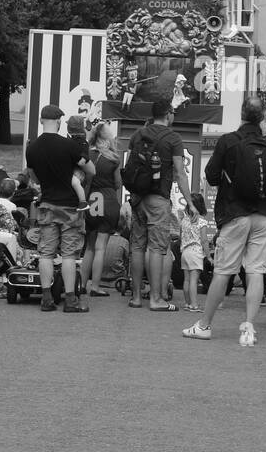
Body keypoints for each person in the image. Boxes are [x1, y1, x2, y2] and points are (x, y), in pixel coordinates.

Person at [183, 98, 266, 346]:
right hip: (264, 215)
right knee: (255, 271)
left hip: (234, 213)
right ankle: (249, 329)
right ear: (261, 117)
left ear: (241, 114)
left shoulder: (228, 141)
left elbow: (211, 175)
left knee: (223, 271)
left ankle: (204, 325)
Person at [26, 104, 95, 313]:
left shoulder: (32, 147)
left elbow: (33, 176)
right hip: (70, 207)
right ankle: (71, 301)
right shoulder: (69, 146)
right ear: (58, 122)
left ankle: (46, 299)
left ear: (40, 121)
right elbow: (91, 169)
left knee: (45, 253)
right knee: (68, 255)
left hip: (47, 204)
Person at [122, 98, 189, 311]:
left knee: (138, 246)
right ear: (168, 113)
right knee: (158, 247)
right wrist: (190, 202)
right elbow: (179, 173)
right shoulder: (173, 138)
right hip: (158, 199)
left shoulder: (138, 134)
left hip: (137, 198)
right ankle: (156, 298)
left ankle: (135, 297)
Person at [80, 121, 123, 298]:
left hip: (90, 201)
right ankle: (95, 287)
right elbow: (118, 183)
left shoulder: (87, 155)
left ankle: (82, 284)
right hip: (108, 201)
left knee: (89, 247)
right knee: (100, 248)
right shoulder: (113, 158)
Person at [180, 193, 213, 313]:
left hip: (185, 252)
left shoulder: (184, 220)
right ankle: (194, 305)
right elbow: (204, 240)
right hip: (195, 252)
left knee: (187, 280)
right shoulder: (201, 222)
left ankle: (187, 303)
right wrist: (208, 255)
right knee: (194, 279)